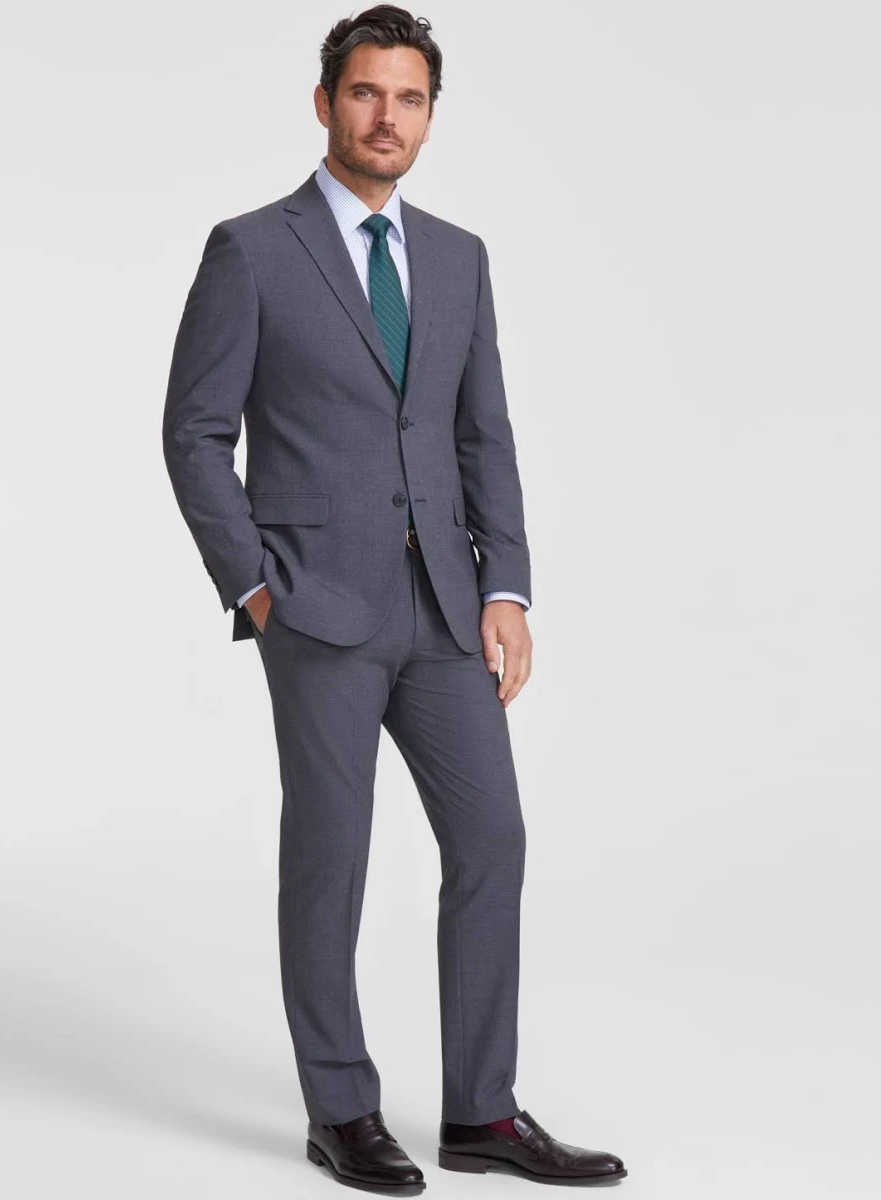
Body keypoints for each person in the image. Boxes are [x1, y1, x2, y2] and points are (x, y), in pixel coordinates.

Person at [162, 4, 626, 1191]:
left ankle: (482, 1115)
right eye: (366, 93)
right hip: (316, 606)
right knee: (333, 857)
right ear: (325, 104)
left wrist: (506, 586)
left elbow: (485, 434)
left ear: (428, 116)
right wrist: (255, 587)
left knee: (493, 839)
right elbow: (195, 432)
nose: (386, 117)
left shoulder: (459, 257)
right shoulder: (252, 250)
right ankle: (342, 1109)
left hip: (446, 608)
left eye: (409, 98)